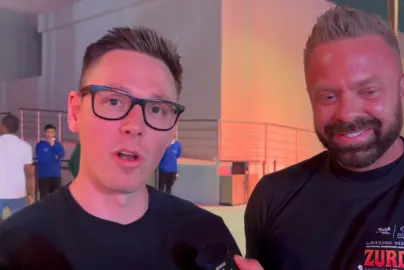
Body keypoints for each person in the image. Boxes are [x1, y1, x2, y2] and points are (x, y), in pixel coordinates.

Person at [244, 6, 404, 270]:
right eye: (329, 96)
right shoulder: (272, 196)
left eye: (368, 91)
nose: (347, 114)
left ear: (403, 89)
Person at [0, 27, 241, 269]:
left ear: (172, 128)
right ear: (75, 112)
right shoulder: (12, 248)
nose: (134, 125)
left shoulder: (207, 238)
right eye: (113, 101)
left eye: (157, 109)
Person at [0, 115, 35, 220]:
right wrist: (31, 195)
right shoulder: (25, 146)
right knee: (19, 226)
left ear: (2, 126)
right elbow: (30, 173)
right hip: (18, 193)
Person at [35, 124, 65, 198]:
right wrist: (55, 156)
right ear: (45, 133)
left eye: (52, 132)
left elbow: (61, 155)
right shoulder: (40, 145)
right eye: (48, 132)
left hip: (56, 176)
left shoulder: (58, 144)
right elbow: (41, 158)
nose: (49, 134)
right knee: (44, 199)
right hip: (44, 176)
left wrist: (53, 146)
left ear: (54, 134)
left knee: (56, 198)